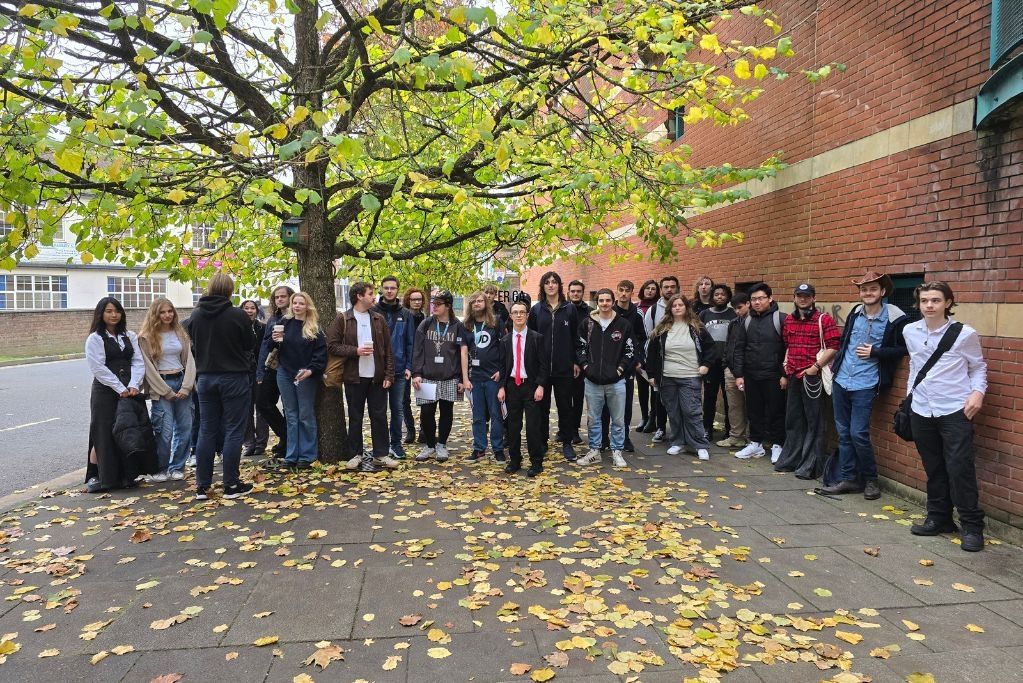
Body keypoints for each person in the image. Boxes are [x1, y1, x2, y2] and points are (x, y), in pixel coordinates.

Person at [904, 282, 987, 552]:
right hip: (921, 409)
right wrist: (909, 399)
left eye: (936, 300)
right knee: (934, 468)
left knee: (959, 468)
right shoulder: (910, 331)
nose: (929, 305)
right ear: (918, 303)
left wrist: (977, 393)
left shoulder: (964, 334)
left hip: (954, 409)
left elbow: (978, 367)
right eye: (925, 300)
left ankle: (972, 527)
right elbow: (915, 366)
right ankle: (939, 518)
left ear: (948, 303)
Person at [821, 271, 909, 500]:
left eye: (872, 289)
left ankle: (871, 480)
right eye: (863, 289)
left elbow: (903, 349)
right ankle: (848, 478)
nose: (867, 293)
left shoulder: (895, 317)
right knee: (843, 432)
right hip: (842, 380)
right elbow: (845, 342)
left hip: (866, 382)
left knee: (858, 432)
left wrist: (876, 352)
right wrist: (835, 367)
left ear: (882, 292)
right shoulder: (855, 312)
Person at [187, 272, 254, 500]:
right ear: (229, 290)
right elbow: (249, 344)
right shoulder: (237, 315)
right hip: (234, 377)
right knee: (234, 430)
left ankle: (202, 486)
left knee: (206, 429)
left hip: (205, 378)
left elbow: (194, 346)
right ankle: (231, 484)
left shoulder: (195, 316)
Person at [84, 297, 156, 492]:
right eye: (108, 311)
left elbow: (138, 361)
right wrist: (119, 387)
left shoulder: (129, 336)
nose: (113, 315)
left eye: (117, 311)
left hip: (129, 389)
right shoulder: (95, 339)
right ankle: (96, 475)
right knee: (104, 432)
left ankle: (126, 475)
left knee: (128, 429)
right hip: (105, 391)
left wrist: (134, 385)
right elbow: (97, 367)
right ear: (101, 314)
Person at [329, 282, 398, 473]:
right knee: (355, 417)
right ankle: (355, 455)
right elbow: (332, 346)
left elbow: (388, 350)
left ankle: (381, 454)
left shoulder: (378, 319)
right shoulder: (343, 318)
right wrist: (356, 351)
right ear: (359, 296)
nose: (374, 296)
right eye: (370, 293)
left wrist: (389, 374)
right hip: (353, 377)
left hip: (377, 376)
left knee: (379, 416)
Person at [773, 283, 840, 479]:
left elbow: (834, 346)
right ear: (794, 298)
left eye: (807, 296)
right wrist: (785, 371)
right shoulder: (789, 321)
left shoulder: (823, 320)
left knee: (814, 422)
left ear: (813, 298)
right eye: (799, 296)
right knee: (793, 420)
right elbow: (788, 345)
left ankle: (810, 466)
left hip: (813, 378)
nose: (803, 299)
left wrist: (816, 367)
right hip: (793, 375)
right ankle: (791, 460)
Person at [644, 294, 717, 461]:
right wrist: (652, 374)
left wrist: (706, 364)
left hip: (690, 375)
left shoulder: (697, 327)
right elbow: (652, 353)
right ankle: (678, 442)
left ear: (686, 307)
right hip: (667, 377)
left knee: (691, 411)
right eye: (674, 305)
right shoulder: (661, 329)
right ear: (670, 308)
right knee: (673, 411)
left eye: (680, 305)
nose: (677, 308)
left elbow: (711, 348)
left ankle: (700, 444)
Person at [263, 291, 326, 471]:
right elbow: (270, 347)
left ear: (307, 306)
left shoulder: (313, 327)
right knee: (290, 415)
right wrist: (274, 341)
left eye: (301, 303)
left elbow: (320, 354)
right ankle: (291, 455)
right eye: (295, 303)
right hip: (285, 372)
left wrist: (311, 370)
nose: (297, 306)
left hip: (305, 374)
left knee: (305, 415)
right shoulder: (283, 323)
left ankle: (307, 455)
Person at [574, 289, 636, 468]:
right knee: (593, 419)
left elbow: (630, 350)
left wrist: (620, 370)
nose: (604, 304)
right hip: (592, 381)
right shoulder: (587, 324)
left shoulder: (623, 325)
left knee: (618, 419)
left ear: (613, 301)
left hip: (616, 382)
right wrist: (586, 366)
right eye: (601, 300)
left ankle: (617, 451)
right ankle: (594, 451)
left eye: (608, 300)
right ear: (597, 302)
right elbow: (579, 347)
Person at [138, 297, 196, 482]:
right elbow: (148, 368)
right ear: (155, 314)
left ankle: (177, 466)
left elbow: (189, 361)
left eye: (170, 311)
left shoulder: (180, 333)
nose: (167, 315)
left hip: (181, 382)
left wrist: (186, 387)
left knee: (185, 428)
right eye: (162, 312)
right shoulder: (146, 337)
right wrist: (165, 391)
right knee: (164, 430)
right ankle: (161, 468)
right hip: (161, 385)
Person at [412, 290, 471, 461]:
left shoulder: (457, 326)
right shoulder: (426, 324)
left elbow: (463, 353)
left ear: (448, 306)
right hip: (427, 377)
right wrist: (416, 373)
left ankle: (442, 445)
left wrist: (462, 378)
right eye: (433, 303)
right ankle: (430, 445)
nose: (434, 307)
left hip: (450, 377)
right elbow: (417, 349)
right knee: (426, 413)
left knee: (447, 412)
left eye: (438, 304)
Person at [527, 271, 580, 461]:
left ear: (559, 285)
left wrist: (575, 361)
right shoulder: (536, 310)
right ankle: (542, 442)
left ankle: (567, 442)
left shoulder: (569, 309)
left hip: (564, 367)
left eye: (554, 282)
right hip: (541, 369)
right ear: (542, 286)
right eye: (547, 282)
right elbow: (530, 339)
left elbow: (575, 338)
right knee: (541, 407)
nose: (551, 285)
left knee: (565, 406)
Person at [732, 282, 787, 462]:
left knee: (776, 411)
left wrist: (784, 374)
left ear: (770, 299)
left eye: (761, 298)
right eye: (753, 299)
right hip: (751, 374)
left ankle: (778, 445)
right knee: (754, 411)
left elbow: (788, 349)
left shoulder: (781, 319)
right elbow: (739, 348)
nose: (757, 302)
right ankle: (756, 444)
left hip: (774, 375)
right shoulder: (747, 321)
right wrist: (739, 374)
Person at [498, 300, 549, 476]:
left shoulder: (537, 338)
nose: (519, 315)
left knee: (533, 426)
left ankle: (536, 462)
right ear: (510, 316)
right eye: (515, 312)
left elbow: (544, 365)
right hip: (512, 385)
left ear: (527, 316)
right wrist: (501, 387)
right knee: (513, 426)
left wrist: (540, 385)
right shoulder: (505, 340)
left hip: (531, 386)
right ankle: (515, 460)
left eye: (522, 312)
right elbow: (503, 367)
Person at [599, 280, 645, 452]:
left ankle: (624, 438)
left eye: (627, 290)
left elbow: (642, 338)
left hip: (627, 367)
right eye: (621, 290)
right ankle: (603, 438)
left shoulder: (637, 313)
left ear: (632, 292)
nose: (624, 293)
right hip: (607, 365)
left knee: (624, 405)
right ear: (616, 292)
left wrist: (637, 358)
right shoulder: (609, 312)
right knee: (604, 404)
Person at [373, 276, 416, 460]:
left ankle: (396, 444)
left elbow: (410, 343)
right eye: (386, 288)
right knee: (378, 410)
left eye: (393, 288)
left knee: (397, 408)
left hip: (399, 370)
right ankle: (381, 446)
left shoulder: (406, 314)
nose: (389, 291)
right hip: (377, 369)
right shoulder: (373, 312)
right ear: (381, 289)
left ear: (398, 290)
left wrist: (409, 366)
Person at [463, 291, 507, 463]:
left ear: (486, 303)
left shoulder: (496, 322)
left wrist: (501, 372)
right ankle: (479, 448)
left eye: (480, 301)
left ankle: (498, 449)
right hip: (475, 378)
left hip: (493, 377)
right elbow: (463, 353)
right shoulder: (466, 325)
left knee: (496, 415)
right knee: (478, 416)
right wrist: (465, 377)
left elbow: (505, 349)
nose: (476, 304)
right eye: (473, 301)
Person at [256, 285, 294, 460]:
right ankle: (285, 435)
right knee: (263, 402)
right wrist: (260, 371)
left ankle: (289, 443)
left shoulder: (296, 316)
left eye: (283, 296)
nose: (279, 299)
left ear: (290, 297)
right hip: (272, 366)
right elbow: (265, 344)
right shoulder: (273, 318)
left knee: (289, 407)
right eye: (276, 297)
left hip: (291, 366)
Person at [641, 275, 679, 440]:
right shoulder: (653, 310)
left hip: (680, 359)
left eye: (672, 286)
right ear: (661, 289)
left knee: (679, 395)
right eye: (666, 287)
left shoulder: (683, 306)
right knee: (659, 393)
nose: (669, 289)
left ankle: (679, 430)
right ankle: (661, 427)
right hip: (660, 359)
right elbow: (648, 336)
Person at [699, 284, 736, 442]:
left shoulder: (733, 313)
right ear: (712, 297)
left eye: (723, 294)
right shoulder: (704, 314)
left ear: (728, 296)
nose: (720, 297)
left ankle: (730, 430)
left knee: (729, 398)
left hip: (728, 362)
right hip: (711, 363)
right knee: (709, 397)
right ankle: (707, 428)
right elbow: (698, 337)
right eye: (717, 294)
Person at [718, 292, 751, 448]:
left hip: (749, 370)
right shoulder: (734, 323)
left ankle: (752, 438)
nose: (737, 311)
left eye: (740, 308)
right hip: (731, 370)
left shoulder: (756, 321)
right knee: (734, 405)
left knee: (752, 404)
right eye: (735, 309)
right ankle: (736, 436)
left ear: (748, 304)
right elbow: (729, 345)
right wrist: (726, 364)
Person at [240, 299, 269, 459]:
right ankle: (249, 443)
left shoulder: (263, 328)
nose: (250, 311)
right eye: (246, 308)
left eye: (252, 308)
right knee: (246, 409)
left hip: (260, 372)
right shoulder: (238, 328)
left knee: (262, 409)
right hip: (243, 373)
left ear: (257, 311)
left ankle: (261, 443)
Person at [566, 279, 591, 445]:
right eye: (573, 291)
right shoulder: (563, 309)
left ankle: (574, 430)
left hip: (581, 361)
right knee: (564, 399)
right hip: (564, 360)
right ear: (568, 292)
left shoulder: (590, 312)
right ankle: (564, 429)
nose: (575, 294)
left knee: (578, 398)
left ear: (583, 293)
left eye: (578, 291)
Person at [402, 287, 427, 444]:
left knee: (425, 398)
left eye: (419, 299)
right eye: (413, 299)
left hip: (422, 363)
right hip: (405, 362)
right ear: (408, 301)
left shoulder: (425, 318)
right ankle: (410, 430)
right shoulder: (403, 317)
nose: (417, 302)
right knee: (404, 399)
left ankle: (424, 431)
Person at [636, 279, 660, 432]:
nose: (650, 291)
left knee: (655, 387)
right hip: (640, 352)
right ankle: (644, 417)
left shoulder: (660, 307)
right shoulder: (637, 308)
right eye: (647, 288)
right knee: (642, 387)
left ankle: (653, 418)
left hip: (655, 352)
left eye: (653, 288)